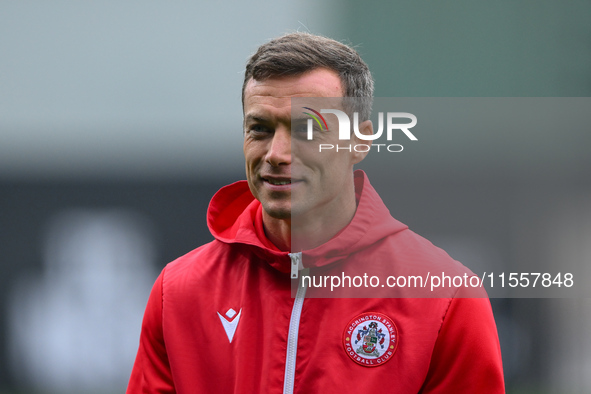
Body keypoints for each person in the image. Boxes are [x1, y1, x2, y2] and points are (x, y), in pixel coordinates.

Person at [127, 32, 505, 393]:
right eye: (259, 129)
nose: (277, 153)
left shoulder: (446, 296)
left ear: (360, 141)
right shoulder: (178, 291)